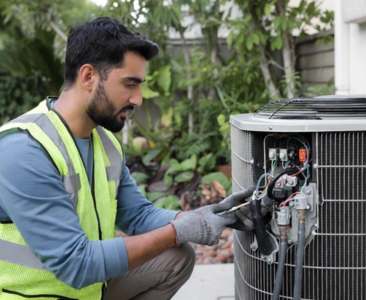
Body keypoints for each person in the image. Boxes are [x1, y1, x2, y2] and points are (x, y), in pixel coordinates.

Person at [0, 17, 252, 300]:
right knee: (171, 243)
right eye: (130, 84)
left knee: (176, 258)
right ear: (88, 77)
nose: (138, 99)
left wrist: (197, 218)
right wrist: (175, 231)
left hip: (88, 291)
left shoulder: (105, 143)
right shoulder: (24, 150)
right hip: (37, 295)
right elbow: (76, 264)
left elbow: (139, 215)